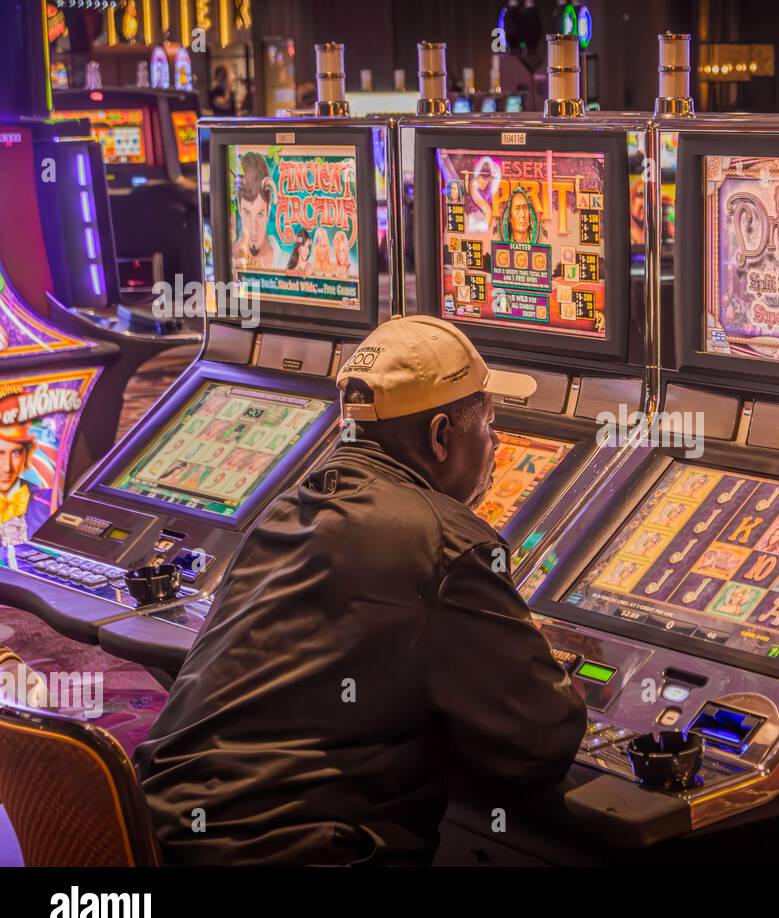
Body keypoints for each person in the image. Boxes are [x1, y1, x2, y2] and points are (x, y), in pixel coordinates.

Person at [135, 316, 587, 865]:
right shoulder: (447, 542)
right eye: (488, 424)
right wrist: (567, 675)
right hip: (291, 851)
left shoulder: (285, 511)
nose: (494, 444)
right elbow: (539, 740)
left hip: (165, 833)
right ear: (441, 436)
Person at [232, 151, 277, 270]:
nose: (253, 229)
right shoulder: (228, 259)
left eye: (260, 214)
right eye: (247, 212)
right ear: (239, 208)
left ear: (268, 209)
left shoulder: (288, 261)